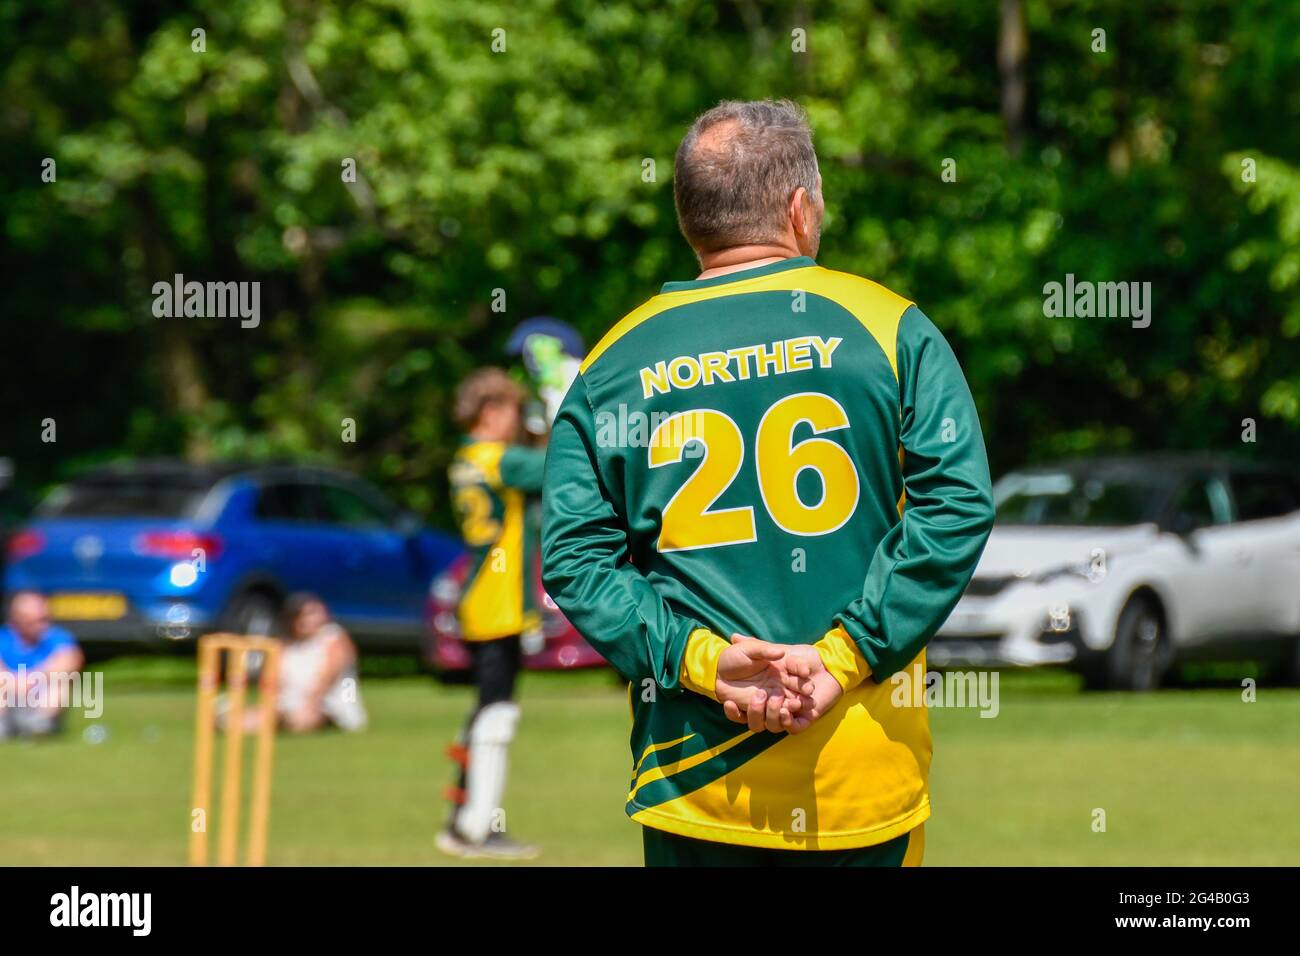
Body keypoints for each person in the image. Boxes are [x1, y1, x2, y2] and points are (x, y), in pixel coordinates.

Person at [542, 99, 996, 866]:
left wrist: (699, 660)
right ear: (801, 209)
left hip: (697, 785)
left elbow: (577, 563)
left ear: (691, 219)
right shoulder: (890, 326)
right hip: (858, 778)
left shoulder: (609, 366)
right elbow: (957, 508)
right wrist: (847, 654)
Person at [437, 368, 547, 860]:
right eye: (508, 410)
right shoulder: (501, 460)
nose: (515, 420)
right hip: (497, 600)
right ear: (488, 412)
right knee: (496, 715)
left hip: (479, 597)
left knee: (486, 711)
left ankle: (464, 819)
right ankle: (476, 826)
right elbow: (558, 466)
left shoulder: (466, 458)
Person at [274, 593, 367, 733]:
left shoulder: (333, 636)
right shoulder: (285, 644)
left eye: (313, 614)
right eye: (303, 616)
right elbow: (273, 679)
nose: (309, 620)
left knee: (301, 720)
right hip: (288, 704)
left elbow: (330, 673)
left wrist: (310, 702)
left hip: (329, 705)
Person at [0, 590, 85, 739]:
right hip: (7, 701)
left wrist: (30, 680)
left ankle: (39, 726)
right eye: (35, 620)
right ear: (17, 619)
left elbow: (70, 660)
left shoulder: (56, 638)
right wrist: (15, 683)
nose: (42, 625)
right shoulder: (4, 638)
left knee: (61, 682)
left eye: (45, 619)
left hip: (39, 698)